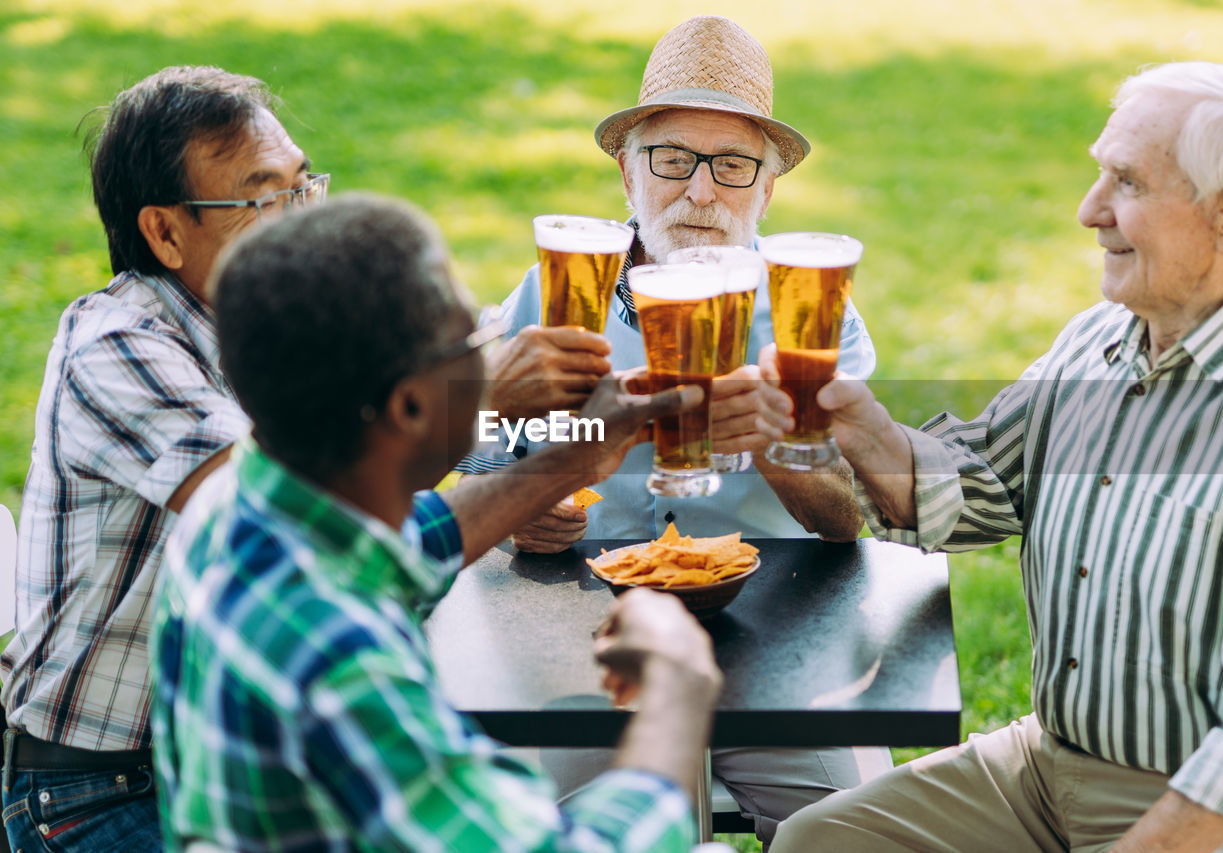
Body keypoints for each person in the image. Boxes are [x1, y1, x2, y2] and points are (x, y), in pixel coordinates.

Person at [772, 60, 1223, 853]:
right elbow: (980, 488)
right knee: (820, 841)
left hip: (1218, 813)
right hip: (1047, 763)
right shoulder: (1097, 338)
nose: (1089, 211)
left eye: (1127, 183)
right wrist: (865, 430)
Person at [150, 193, 722, 852]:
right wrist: (677, 693)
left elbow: (417, 539)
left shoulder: (242, 505)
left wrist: (573, 459)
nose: (493, 356)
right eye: (477, 339)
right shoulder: (342, 663)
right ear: (412, 405)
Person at [459, 15, 888, 843]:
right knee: (551, 826)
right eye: (672, 159)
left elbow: (849, 519)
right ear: (627, 174)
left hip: (776, 629)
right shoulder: (556, 291)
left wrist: (774, 433)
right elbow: (481, 463)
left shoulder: (809, 310)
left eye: (732, 166)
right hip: (584, 630)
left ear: (767, 189)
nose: (701, 193)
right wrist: (528, 516)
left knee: (864, 827)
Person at [0, 66, 325, 851]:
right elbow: (290, 505)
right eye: (261, 200)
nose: (299, 220)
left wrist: (521, 430)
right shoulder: (115, 347)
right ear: (166, 233)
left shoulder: (267, 328)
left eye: (302, 186)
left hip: (219, 766)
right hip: (92, 793)